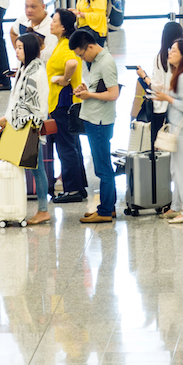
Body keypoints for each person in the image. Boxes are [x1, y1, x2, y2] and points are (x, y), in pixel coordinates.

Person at [0, 32, 52, 226]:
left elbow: (26, 105)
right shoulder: (25, 68)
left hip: (28, 126)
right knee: (7, 165)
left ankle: (43, 211)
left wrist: (2, 120)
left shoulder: (34, 72)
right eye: (16, 46)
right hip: (17, 125)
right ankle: (3, 207)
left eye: (20, 47)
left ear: (30, 49)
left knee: (36, 168)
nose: (16, 51)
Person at [70, 29, 120, 224]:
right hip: (92, 117)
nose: (82, 58)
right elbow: (96, 86)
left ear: (90, 46)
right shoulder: (93, 61)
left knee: (103, 168)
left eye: (82, 54)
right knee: (101, 166)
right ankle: (108, 207)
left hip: (100, 120)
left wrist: (89, 96)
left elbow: (113, 94)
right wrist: (85, 89)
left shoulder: (106, 63)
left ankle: (106, 211)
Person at [152, 38, 183, 225]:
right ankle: (176, 205)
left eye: (173, 51)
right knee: (176, 170)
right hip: (178, 128)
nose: (169, 53)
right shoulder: (181, 75)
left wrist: (167, 97)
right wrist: (165, 91)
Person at [45, 10, 89, 204]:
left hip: (63, 101)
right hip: (68, 101)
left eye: (54, 21)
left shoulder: (65, 46)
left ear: (63, 27)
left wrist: (64, 79)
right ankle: (79, 186)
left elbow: (71, 63)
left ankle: (72, 190)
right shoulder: (64, 43)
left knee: (65, 146)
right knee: (72, 144)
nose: (51, 24)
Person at [135, 21, 183, 144]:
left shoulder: (159, 58)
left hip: (160, 109)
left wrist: (144, 76)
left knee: (160, 148)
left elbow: (155, 86)